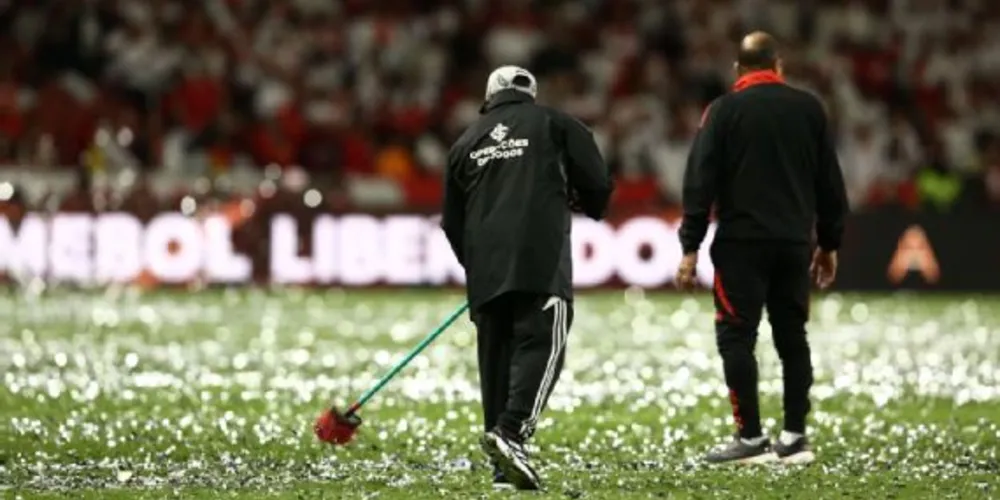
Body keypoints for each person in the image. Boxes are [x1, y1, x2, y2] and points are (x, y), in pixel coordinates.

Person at [675, 32, 848, 465]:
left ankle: (750, 439)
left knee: (736, 336)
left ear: (738, 69)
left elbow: (700, 181)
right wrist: (827, 243)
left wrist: (690, 245)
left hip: (741, 245)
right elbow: (830, 183)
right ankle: (794, 437)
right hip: (792, 243)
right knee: (793, 336)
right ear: (778, 65)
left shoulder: (723, 110)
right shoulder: (809, 108)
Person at [440, 65, 613, 489]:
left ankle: (502, 470)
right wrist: (587, 201)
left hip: (486, 271)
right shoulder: (555, 122)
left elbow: (450, 221)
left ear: (490, 96)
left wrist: (477, 266)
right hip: (540, 260)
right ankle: (512, 433)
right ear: (530, 94)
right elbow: (597, 181)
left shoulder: (465, 142)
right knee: (542, 343)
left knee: (495, 360)